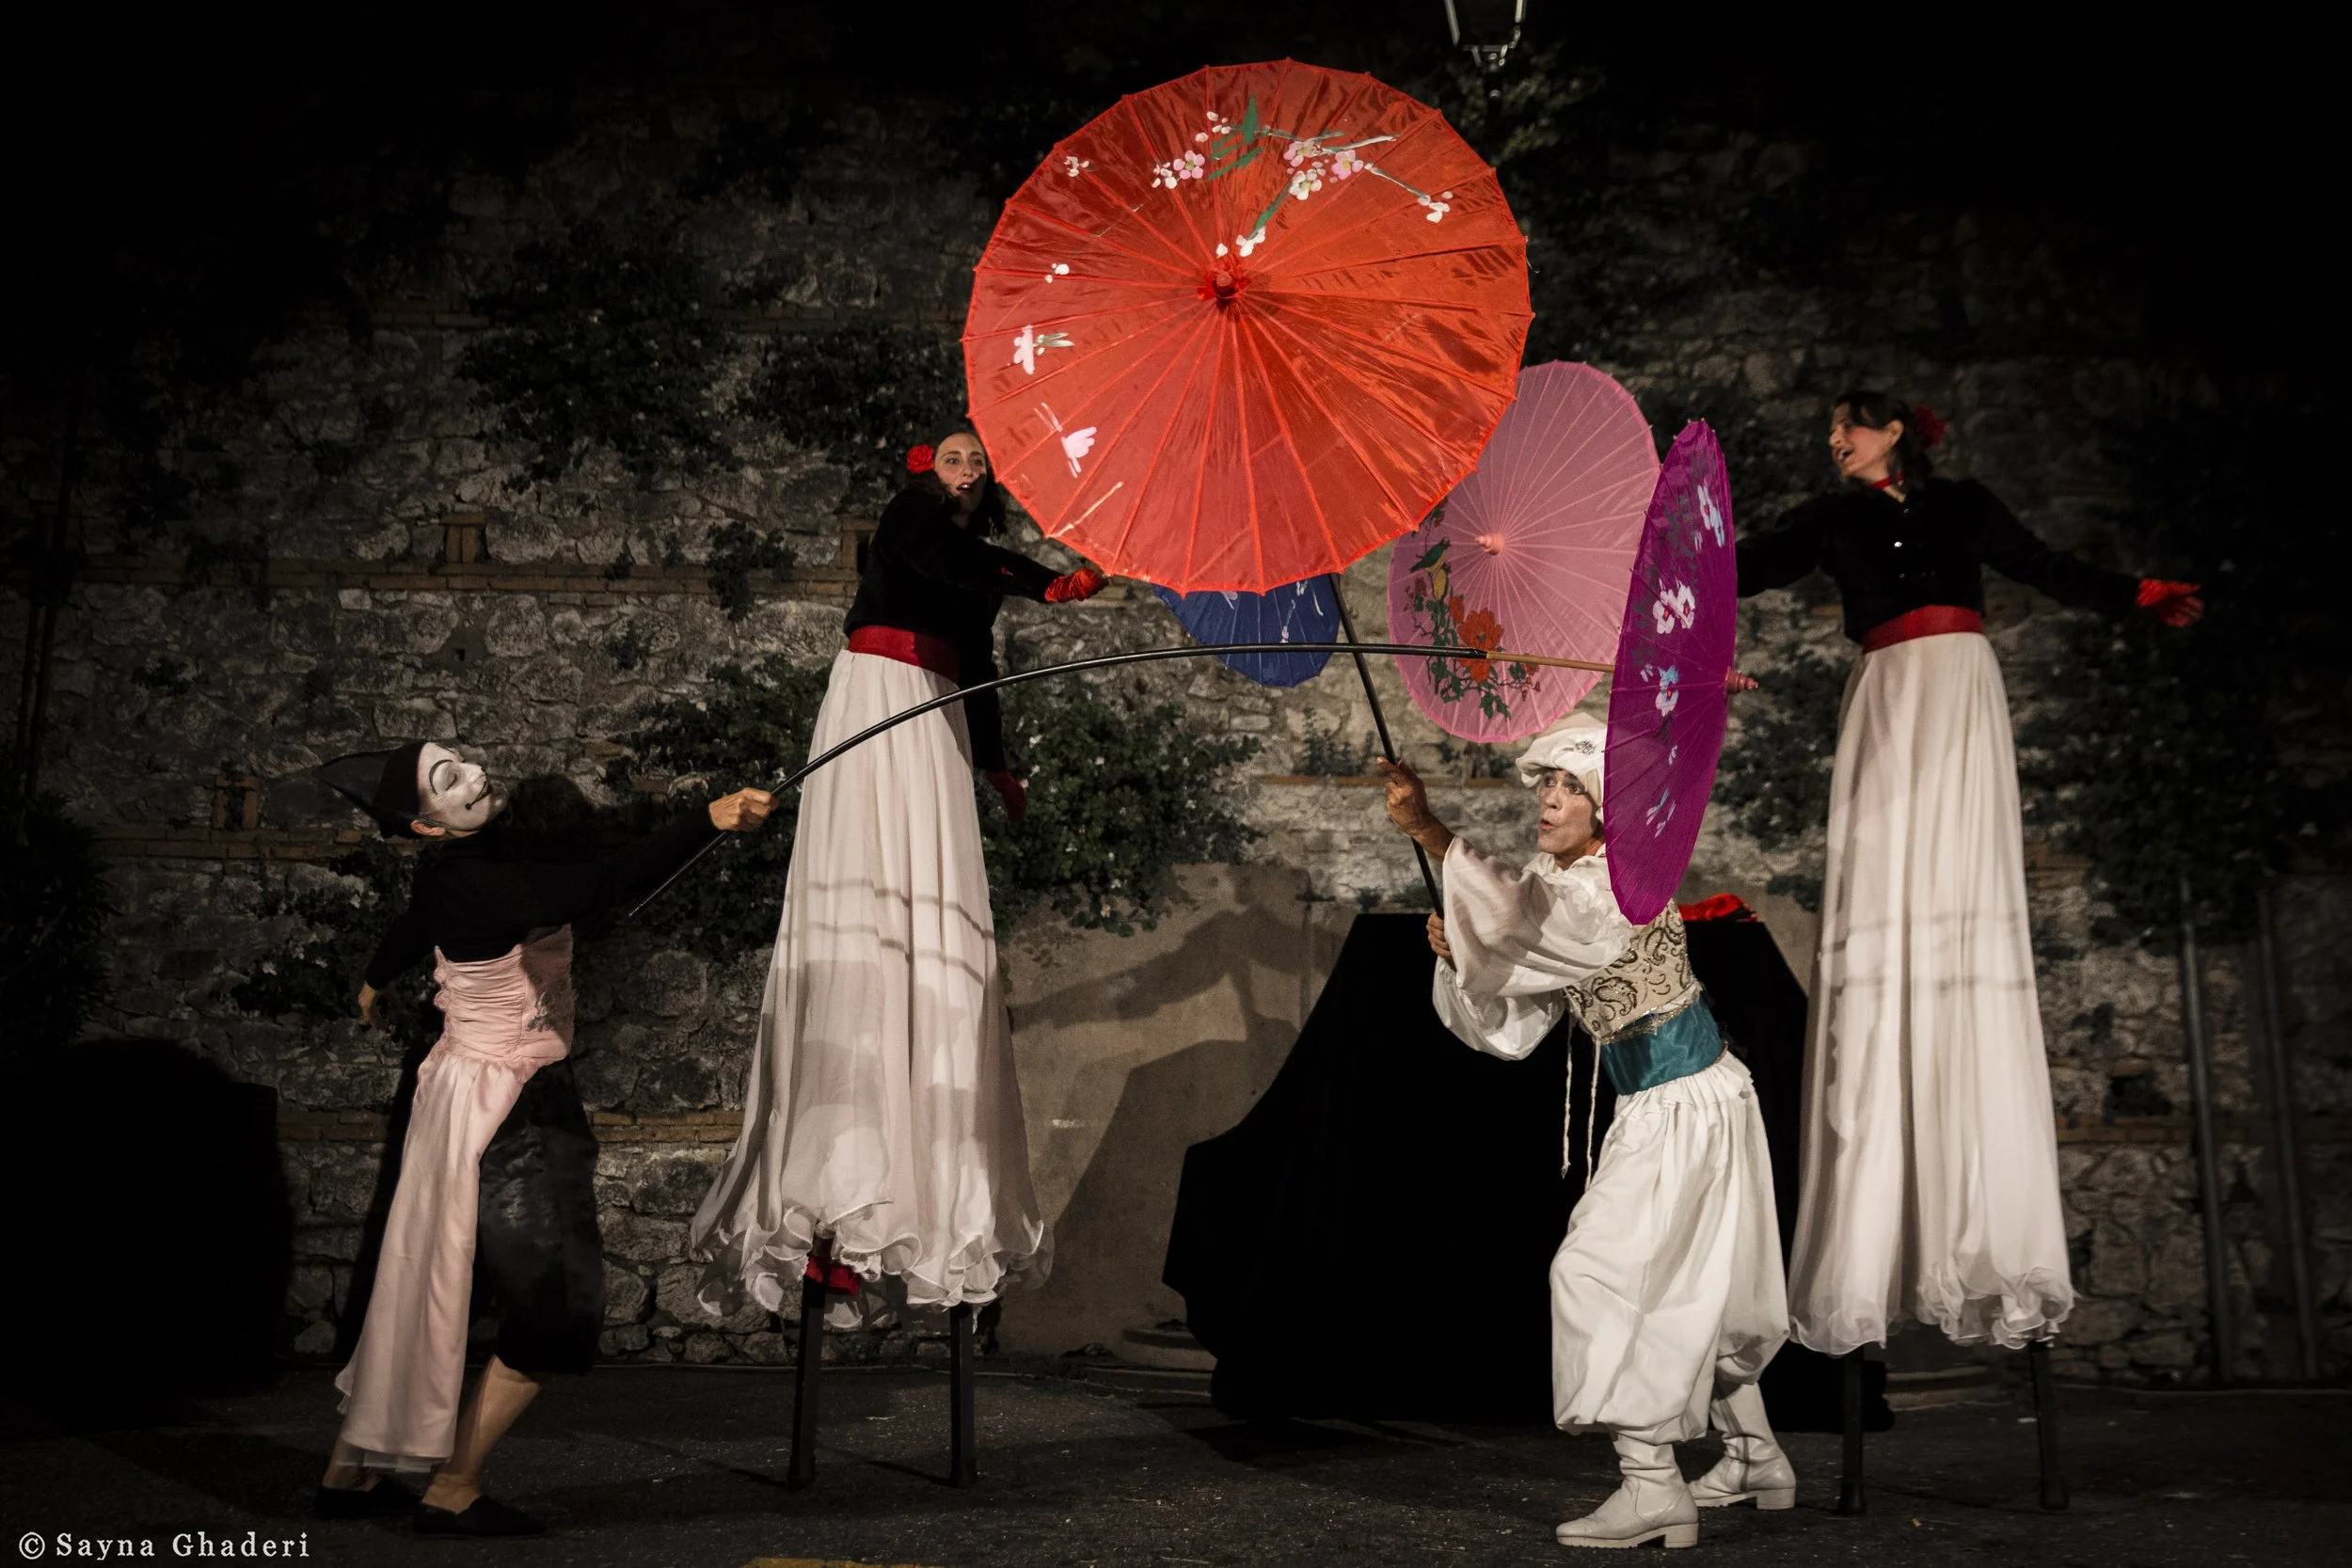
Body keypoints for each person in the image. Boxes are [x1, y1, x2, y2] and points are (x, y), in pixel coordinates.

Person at [1736, 392, 2202, 1360]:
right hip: (1890, 688)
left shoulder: (1965, 503)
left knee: (1961, 858)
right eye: (1829, 430)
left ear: (1893, 429)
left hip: (1958, 685)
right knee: (1887, 855)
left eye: (1848, 425)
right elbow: (1746, 567)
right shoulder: (1833, 519)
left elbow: (2041, 565)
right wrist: (1654, 569)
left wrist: (2133, 593)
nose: (1834, 441)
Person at [691, 427, 1104, 1317]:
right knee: (869, 893)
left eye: (978, 462)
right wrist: (1044, 580)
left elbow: (981, 664)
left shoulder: (971, 558)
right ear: (928, 469)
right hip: (878, 689)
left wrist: (996, 764)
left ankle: (913, 1191)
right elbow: (951, 561)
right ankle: (829, 1194)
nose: (967, 468)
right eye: (955, 456)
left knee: (932, 904)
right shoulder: (911, 518)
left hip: (937, 709)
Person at [313, 740, 774, 1536]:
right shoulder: (489, 879)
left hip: (461, 1090)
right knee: (557, 1306)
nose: (474, 774)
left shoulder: (467, 861)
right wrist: (710, 820)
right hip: (511, 1104)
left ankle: (350, 1470)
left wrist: (375, 976)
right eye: (447, 780)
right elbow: (602, 886)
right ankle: (452, 1485)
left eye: (459, 759)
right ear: (426, 826)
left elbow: (417, 917)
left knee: (423, 1276)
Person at [1379, 713, 1793, 1551]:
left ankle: (1653, 1489)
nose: (1551, 798)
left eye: (1573, 786)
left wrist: (1429, 831)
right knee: (1690, 1286)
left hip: (1685, 1105)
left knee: (1595, 1276)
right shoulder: (1559, 878)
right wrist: (1463, 956)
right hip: (1672, 1103)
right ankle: (1755, 1457)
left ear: (1607, 807)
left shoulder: (1614, 882)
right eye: (1547, 783)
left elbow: (1525, 918)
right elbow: (1516, 1013)